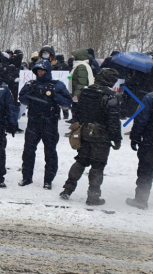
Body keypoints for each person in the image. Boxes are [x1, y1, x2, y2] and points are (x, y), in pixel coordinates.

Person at [60, 69, 122, 206]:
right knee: (97, 165)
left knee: (81, 161)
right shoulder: (111, 96)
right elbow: (113, 121)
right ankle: (93, 196)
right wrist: (117, 138)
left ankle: (67, 189)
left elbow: (76, 111)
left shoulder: (85, 91)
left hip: (85, 132)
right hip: (101, 137)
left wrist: (80, 126)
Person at [18, 60, 72, 189]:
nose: (40, 73)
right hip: (33, 122)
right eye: (38, 71)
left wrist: (55, 97)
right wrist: (30, 96)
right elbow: (22, 98)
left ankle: (48, 180)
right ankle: (26, 177)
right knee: (28, 151)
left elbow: (67, 102)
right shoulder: (31, 84)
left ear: (48, 71)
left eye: (43, 71)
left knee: (50, 152)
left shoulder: (57, 85)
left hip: (50, 123)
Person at [128, 91, 153, 210]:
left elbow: (141, 119)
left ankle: (141, 199)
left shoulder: (149, 98)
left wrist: (135, 136)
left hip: (150, 141)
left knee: (146, 170)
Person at [70, 48, 94, 122]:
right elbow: (71, 77)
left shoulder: (81, 66)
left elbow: (82, 82)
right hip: (79, 93)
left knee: (78, 112)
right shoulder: (78, 66)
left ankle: (78, 130)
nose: (72, 58)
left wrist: (76, 94)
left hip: (80, 94)